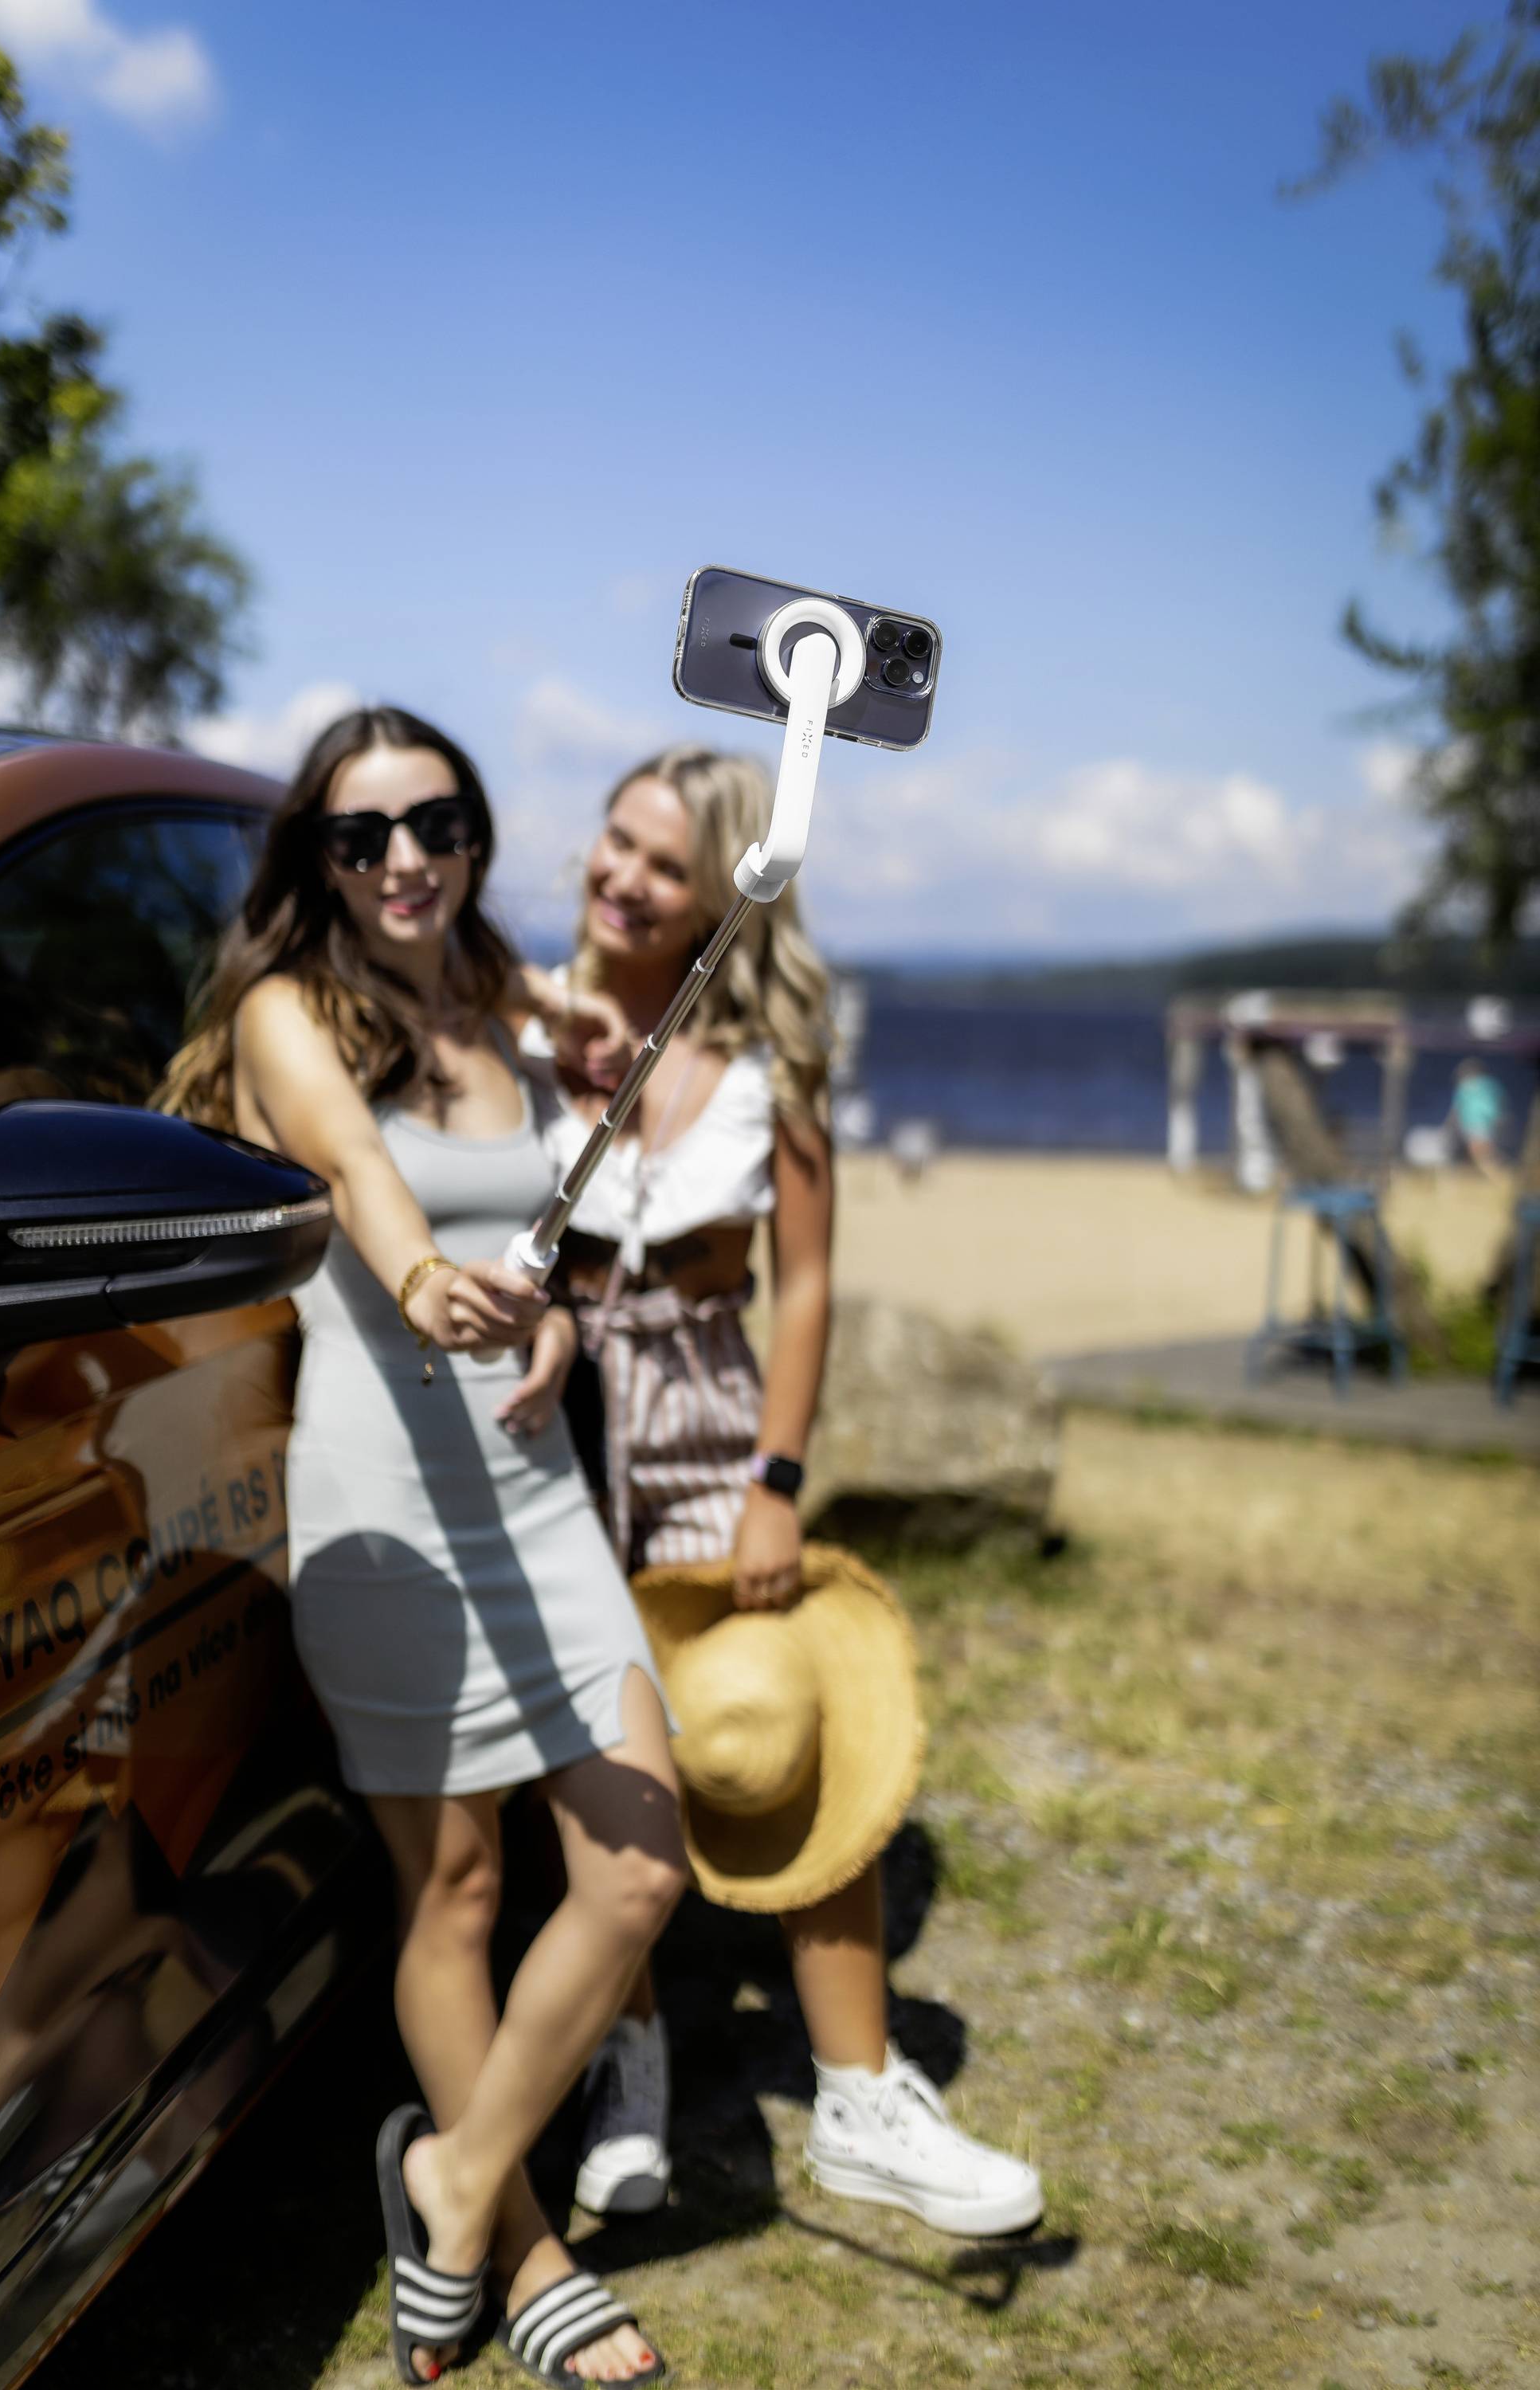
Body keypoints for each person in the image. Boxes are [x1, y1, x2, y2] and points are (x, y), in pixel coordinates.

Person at [158, 706, 684, 2388]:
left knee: (638, 1867)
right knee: (449, 1889)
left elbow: (552, 1214)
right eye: (363, 834)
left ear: (474, 833)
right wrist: (424, 1288)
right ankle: (518, 2248)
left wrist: (551, 1320)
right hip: (386, 1509)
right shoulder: (286, 1013)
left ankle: (445, 2171)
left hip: (533, 1494)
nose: (406, 860)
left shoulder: (503, 1005)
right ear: (315, 859)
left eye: (436, 822)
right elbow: (364, 1174)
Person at [538, 744, 1043, 2239]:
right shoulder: (517, 1024)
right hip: (549, 1418)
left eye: (665, 865)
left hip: (702, 1405)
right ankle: (623, 2061)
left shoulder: (778, 1052)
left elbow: (810, 1281)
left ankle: (864, 2094)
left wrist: (777, 1479)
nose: (624, 880)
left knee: (787, 1728)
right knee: (596, 1752)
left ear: (727, 895)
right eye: (614, 845)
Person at [1449, 1058, 1507, 1181]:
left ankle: (1499, 1176)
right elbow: (1499, 1104)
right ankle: (1498, 1174)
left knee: (1481, 1153)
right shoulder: (1490, 1085)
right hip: (1481, 1124)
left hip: (1477, 1124)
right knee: (1483, 1152)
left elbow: (1457, 1109)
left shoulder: (1469, 1086)